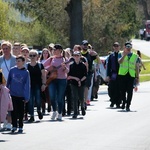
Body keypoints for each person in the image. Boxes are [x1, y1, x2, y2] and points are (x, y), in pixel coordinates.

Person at [43, 44, 69, 121]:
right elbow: (42, 66)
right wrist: (49, 68)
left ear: (60, 50)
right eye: (53, 50)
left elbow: (68, 71)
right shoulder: (51, 59)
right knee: (52, 96)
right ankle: (54, 111)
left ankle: (60, 113)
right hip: (52, 79)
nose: (54, 51)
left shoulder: (65, 59)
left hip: (62, 80)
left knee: (60, 97)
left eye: (56, 50)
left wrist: (64, 68)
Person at [7, 55, 30, 133]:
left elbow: (27, 85)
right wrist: (6, 91)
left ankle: (20, 125)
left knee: (21, 111)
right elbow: (8, 81)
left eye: (19, 61)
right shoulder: (12, 70)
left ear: (23, 62)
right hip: (13, 94)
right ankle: (14, 125)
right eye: (16, 61)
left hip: (21, 94)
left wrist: (27, 96)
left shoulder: (26, 72)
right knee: (13, 111)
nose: (17, 62)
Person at [118, 42, 139, 111]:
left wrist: (137, 77)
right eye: (127, 47)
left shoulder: (135, 56)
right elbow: (119, 62)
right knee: (122, 90)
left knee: (130, 91)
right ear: (124, 47)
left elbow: (137, 67)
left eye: (129, 47)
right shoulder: (120, 53)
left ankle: (128, 105)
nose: (128, 48)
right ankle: (124, 102)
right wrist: (124, 55)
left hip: (131, 75)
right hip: (122, 75)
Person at [0, 41, 16, 130]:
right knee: (1, 104)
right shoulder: (0, 59)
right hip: (2, 85)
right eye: (4, 48)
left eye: (7, 48)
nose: (5, 50)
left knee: (10, 104)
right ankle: (3, 121)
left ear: (10, 49)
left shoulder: (15, 59)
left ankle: (10, 122)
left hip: (12, 84)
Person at [27, 50, 46, 122]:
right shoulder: (27, 65)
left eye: (34, 55)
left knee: (38, 100)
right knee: (30, 101)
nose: (32, 57)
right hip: (29, 85)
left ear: (37, 56)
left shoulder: (40, 65)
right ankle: (31, 115)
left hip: (38, 85)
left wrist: (44, 84)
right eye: (30, 55)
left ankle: (39, 110)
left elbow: (43, 75)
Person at [81, 40, 101, 106]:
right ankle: (81, 100)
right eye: (84, 45)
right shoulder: (79, 54)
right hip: (80, 73)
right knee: (81, 87)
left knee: (86, 87)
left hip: (88, 73)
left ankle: (85, 101)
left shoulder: (90, 54)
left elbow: (99, 62)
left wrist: (96, 55)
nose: (85, 46)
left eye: (86, 45)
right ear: (81, 46)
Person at [68, 51, 87, 118]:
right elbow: (69, 76)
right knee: (75, 97)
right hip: (73, 83)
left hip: (82, 83)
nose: (76, 57)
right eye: (75, 56)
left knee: (81, 97)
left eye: (77, 55)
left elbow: (85, 75)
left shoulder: (83, 65)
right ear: (73, 57)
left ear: (80, 56)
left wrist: (80, 80)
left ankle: (82, 107)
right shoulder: (71, 66)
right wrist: (76, 79)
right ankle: (75, 112)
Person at [106, 42, 121, 108]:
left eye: (117, 46)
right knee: (111, 88)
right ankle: (112, 100)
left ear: (119, 47)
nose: (116, 47)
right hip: (113, 74)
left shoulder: (121, 55)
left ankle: (118, 102)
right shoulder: (111, 56)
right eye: (115, 46)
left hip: (120, 74)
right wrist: (108, 75)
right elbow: (108, 66)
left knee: (119, 89)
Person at [39, 48, 51, 114]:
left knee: (48, 93)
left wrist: (47, 72)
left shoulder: (50, 61)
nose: (45, 54)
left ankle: (49, 105)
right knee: (42, 93)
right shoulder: (40, 61)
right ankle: (43, 107)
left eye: (46, 53)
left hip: (49, 78)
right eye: (44, 53)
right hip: (42, 78)